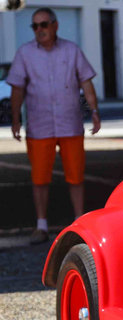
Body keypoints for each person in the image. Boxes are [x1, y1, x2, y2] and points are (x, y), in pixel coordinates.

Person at [7, 7, 101, 244]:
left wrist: (95, 112)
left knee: (76, 176)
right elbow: (17, 88)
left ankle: (79, 223)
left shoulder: (72, 51)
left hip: (70, 124)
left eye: (44, 25)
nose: (40, 30)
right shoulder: (25, 53)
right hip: (39, 126)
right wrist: (16, 118)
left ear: (55, 25)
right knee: (39, 178)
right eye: (35, 26)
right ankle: (41, 225)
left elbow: (86, 83)